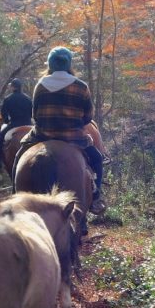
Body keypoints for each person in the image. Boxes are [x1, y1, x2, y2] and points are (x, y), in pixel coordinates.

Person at [18, 46, 106, 215]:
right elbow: (88, 117)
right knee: (96, 159)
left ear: (50, 64)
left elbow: (35, 115)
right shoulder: (81, 87)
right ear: (69, 64)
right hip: (74, 138)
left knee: (19, 157)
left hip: (42, 135)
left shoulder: (40, 85)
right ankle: (96, 197)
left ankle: (16, 193)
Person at [0, 78, 32, 162]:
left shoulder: (8, 99)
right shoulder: (28, 99)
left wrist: (7, 121)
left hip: (14, 124)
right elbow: (32, 113)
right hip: (29, 124)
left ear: (13, 87)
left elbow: (4, 114)